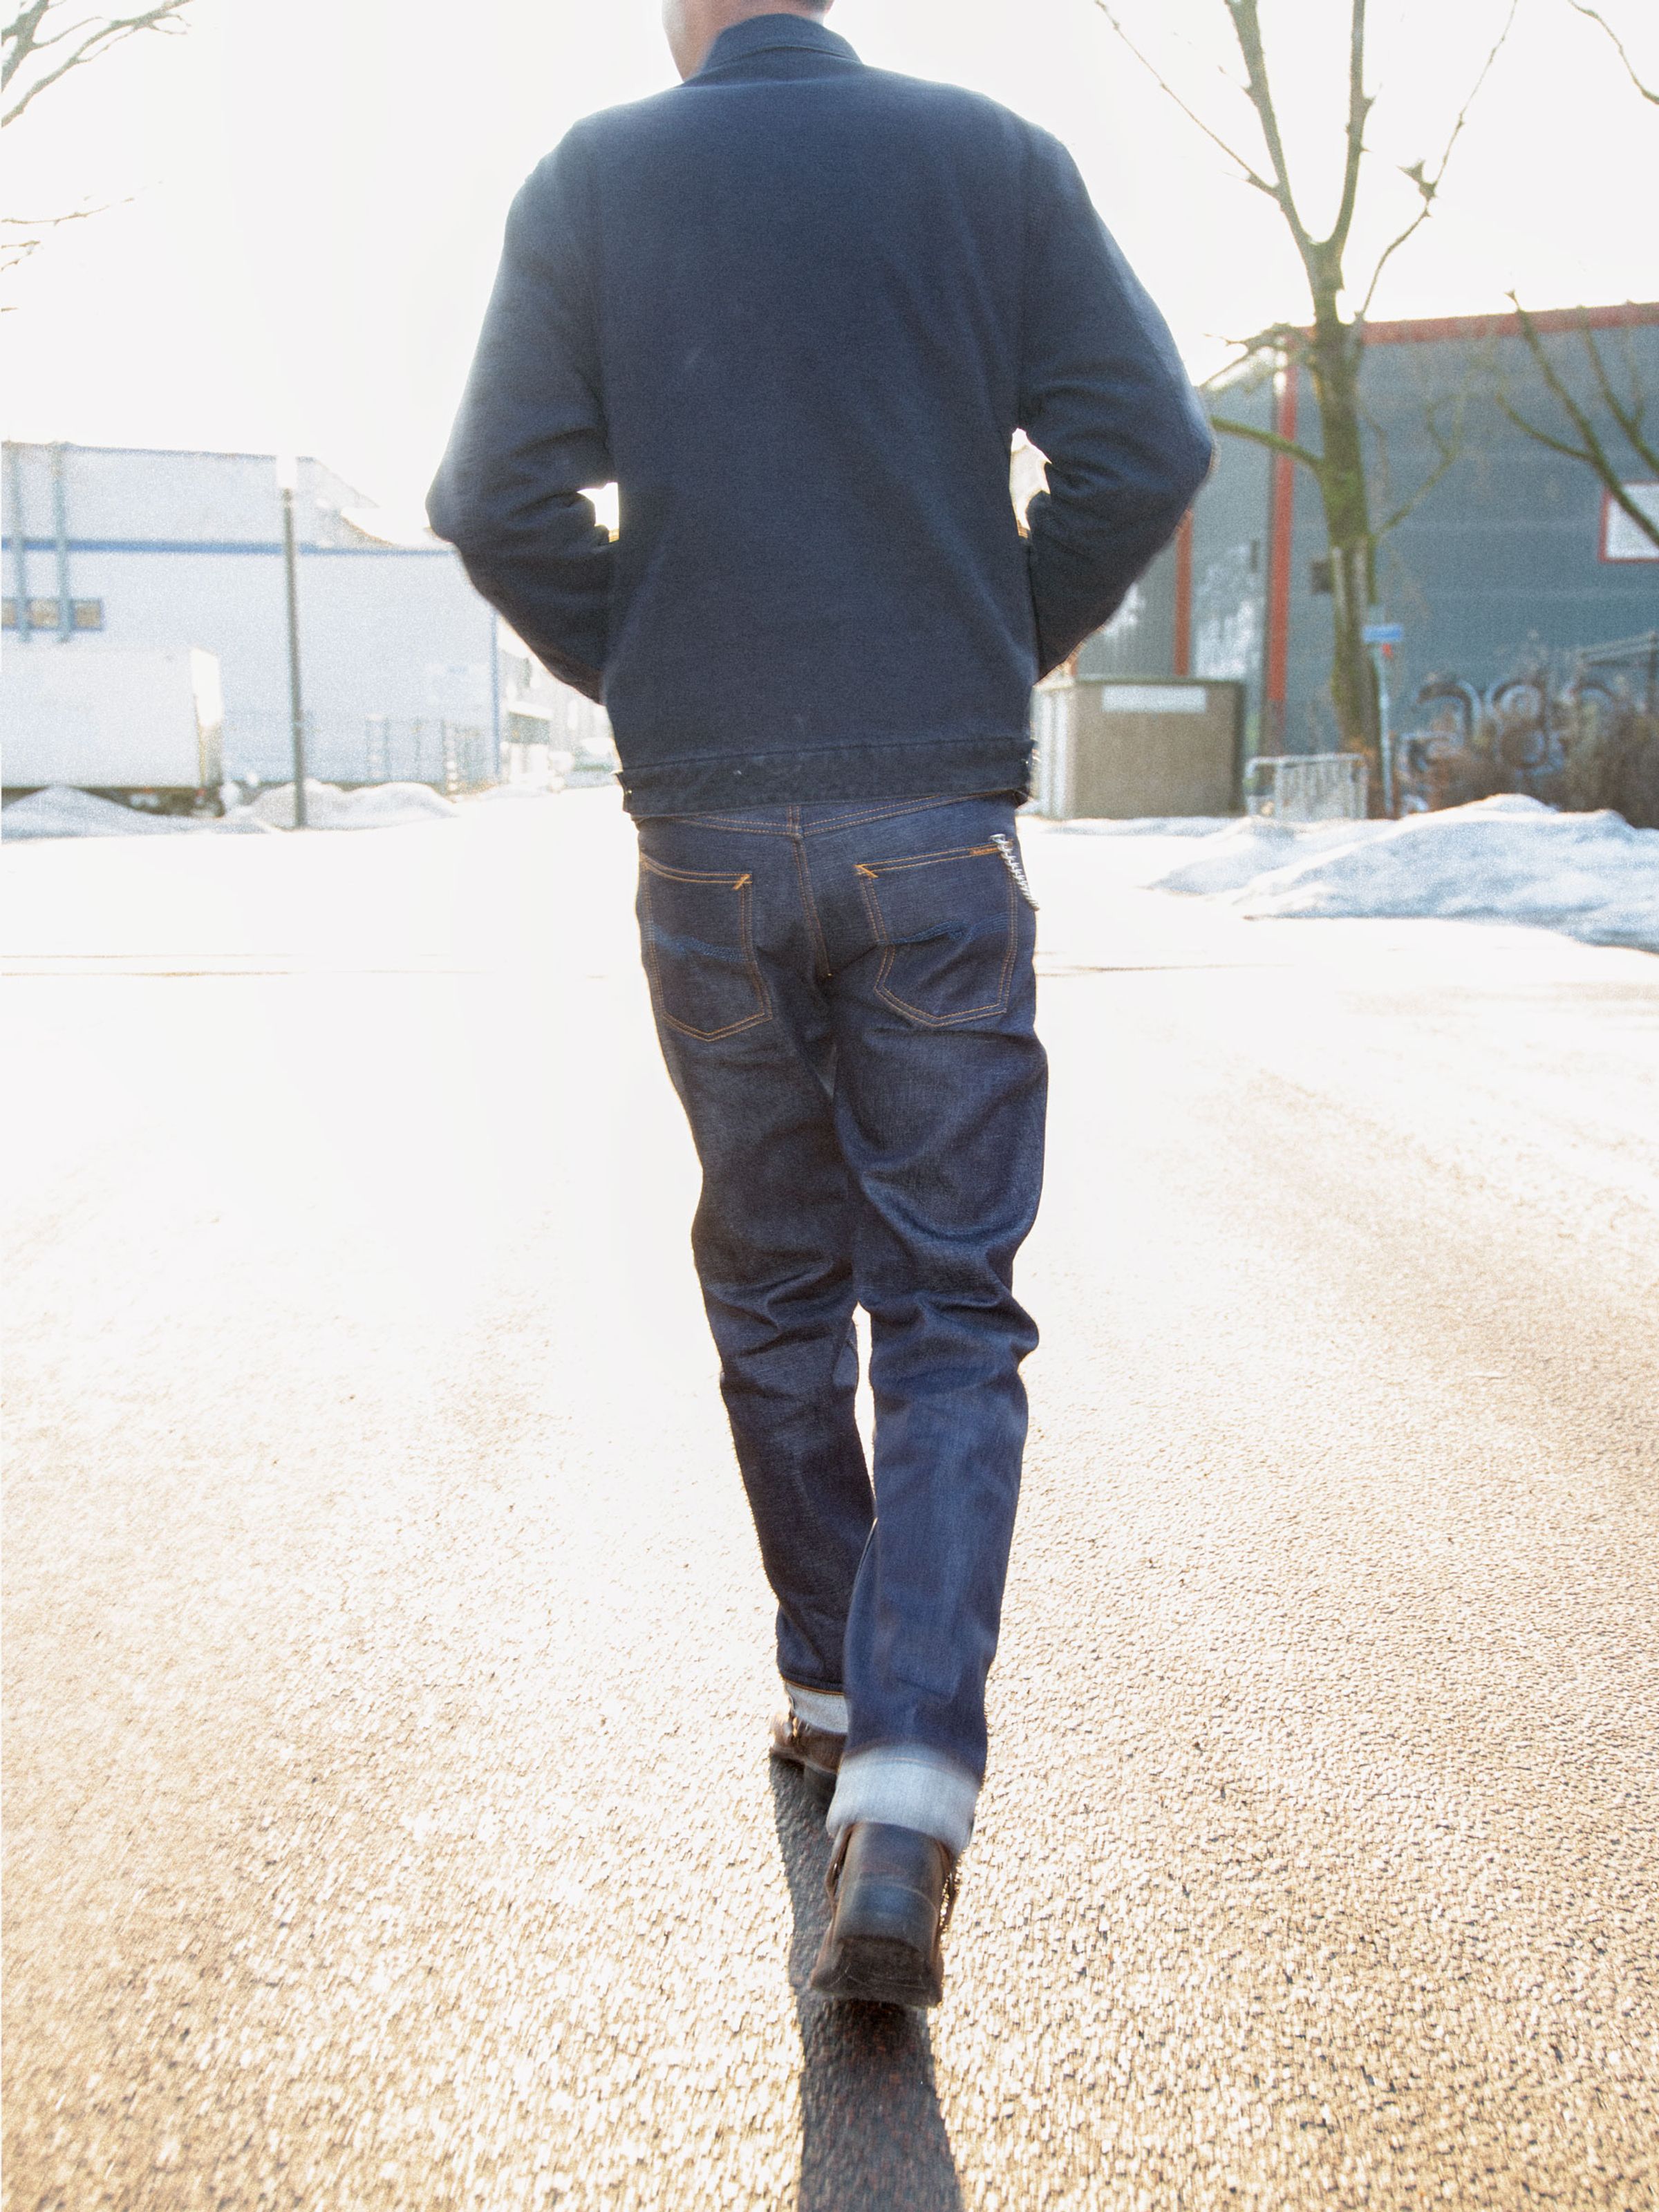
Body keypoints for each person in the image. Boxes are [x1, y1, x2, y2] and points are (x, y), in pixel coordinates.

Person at [428, 0, 1211, 2009]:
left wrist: (663, 671)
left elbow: (492, 494)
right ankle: (913, 1771)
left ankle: (818, 1671)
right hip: (938, 819)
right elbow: (1148, 441)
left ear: (679, 11)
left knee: (773, 1276)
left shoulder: (598, 181)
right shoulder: (991, 163)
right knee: (949, 1299)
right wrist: (979, 635)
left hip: (701, 831)